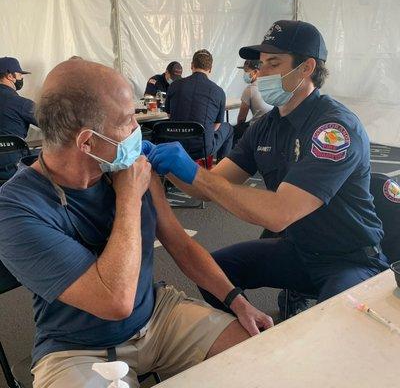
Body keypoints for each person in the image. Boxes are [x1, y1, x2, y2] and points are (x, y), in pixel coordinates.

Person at [0, 59, 273, 388]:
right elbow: (114, 302)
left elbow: (181, 244)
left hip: (157, 315)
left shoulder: (125, 167)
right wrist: (128, 197)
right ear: (87, 142)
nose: (138, 131)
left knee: (261, 354)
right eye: (129, 120)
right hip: (76, 348)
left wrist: (237, 301)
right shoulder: (16, 210)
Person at [145, 20, 389, 311]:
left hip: (346, 258)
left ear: (307, 68)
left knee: (334, 327)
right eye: (260, 64)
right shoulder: (264, 126)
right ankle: (253, 328)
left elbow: (279, 213)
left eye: (274, 63)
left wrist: (198, 174)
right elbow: (206, 188)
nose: (262, 73)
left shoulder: (333, 129)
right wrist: (165, 164)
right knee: (215, 272)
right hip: (299, 251)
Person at [165, 49, 233, 161]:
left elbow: (169, 115)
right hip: (203, 149)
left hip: (175, 145)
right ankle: (221, 171)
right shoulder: (219, 91)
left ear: (192, 65)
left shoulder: (174, 85)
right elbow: (216, 126)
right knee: (228, 128)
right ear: (210, 69)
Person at [0, 57, 37, 180]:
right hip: (13, 168)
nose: (21, 78)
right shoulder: (21, 103)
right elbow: (54, 124)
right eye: (20, 74)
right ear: (10, 76)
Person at [234, 59, 272, 145]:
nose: (244, 74)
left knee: (232, 131)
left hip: (257, 129)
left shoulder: (250, 89)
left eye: (246, 71)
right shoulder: (271, 85)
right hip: (271, 128)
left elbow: (241, 119)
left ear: (255, 72)